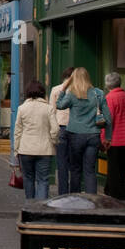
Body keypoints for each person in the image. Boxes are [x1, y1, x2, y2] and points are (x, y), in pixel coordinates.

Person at [55, 67, 112, 195]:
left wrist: (63, 90)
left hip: (75, 135)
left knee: (75, 169)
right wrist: (108, 137)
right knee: (90, 170)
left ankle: (75, 199)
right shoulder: (98, 93)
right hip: (93, 135)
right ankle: (92, 200)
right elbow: (108, 118)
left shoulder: (72, 94)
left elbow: (59, 105)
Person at [12, 80, 58, 200]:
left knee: (28, 179)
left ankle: (30, 206)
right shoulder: (48, 109)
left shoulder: (22, 108)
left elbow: (17, 131)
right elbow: (55, 129)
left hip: (25, 149)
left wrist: (16, 150)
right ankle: (40, 209)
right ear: (43, 93)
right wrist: (53, 141)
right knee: (43, 180)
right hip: (45, 150)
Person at [101, 72, 125, 200]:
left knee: (114, 169)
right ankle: (109, 190)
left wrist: (103, 139)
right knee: (121, 170)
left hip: (114, 140)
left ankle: (118, 196)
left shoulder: (109, 98)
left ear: (107, 84)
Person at [49, 67, 75, 196]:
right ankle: (74, 191)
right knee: (75, 162)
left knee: (62, 162)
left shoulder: (55, 89)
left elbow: (51, 111)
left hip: (60, 127)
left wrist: (52, 131)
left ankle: (63, 192)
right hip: (75, 128)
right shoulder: (78, 90)